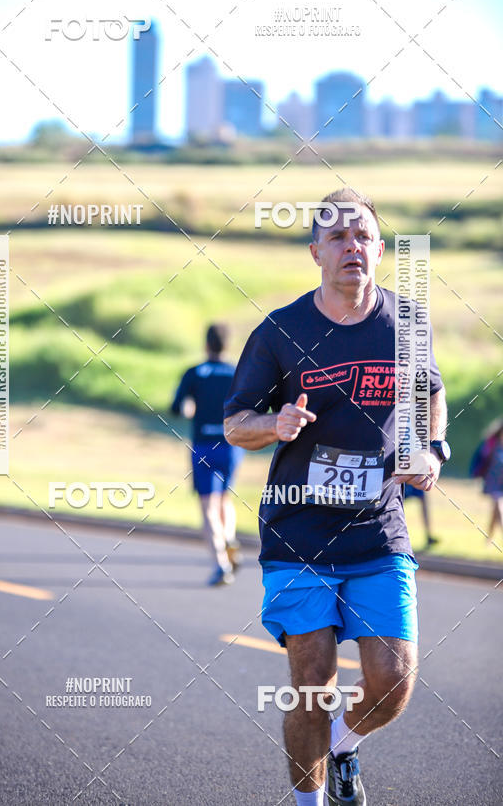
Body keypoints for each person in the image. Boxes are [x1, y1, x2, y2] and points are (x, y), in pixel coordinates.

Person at [224, 189, 449, 805]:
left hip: (378, 527)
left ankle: (345, 746)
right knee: (313, 686)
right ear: (316, 253)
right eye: (339, 238)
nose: (354, 246)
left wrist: (434, 449)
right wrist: (274, 426)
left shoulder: (406, 324)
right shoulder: (282, 330)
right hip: (299, 535)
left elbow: (430, 393)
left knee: (393, 680)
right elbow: (235, 421)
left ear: (379, 249)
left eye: (364, 237)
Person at [171, 324, 243, 586]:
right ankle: (230, 538)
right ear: (227, 344)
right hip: (231, 444)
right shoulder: (237, 371)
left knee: (207, 506)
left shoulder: (195, 373)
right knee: (224, 498)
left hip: (203, 445)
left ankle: (221, 565)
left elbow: (177, 407)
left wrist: (192, 408)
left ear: (206, 344)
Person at [470, 419, 503, 542]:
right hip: (492, 481)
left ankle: (488, 538)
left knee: (496, 510)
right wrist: (476, 473)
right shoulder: (491, 444)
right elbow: (480, 459)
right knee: (498, 504)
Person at [403, 483, 439, 548]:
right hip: (399, 479)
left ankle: (429, 536)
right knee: (395, 502)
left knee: (423, 498)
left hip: (411, 476)